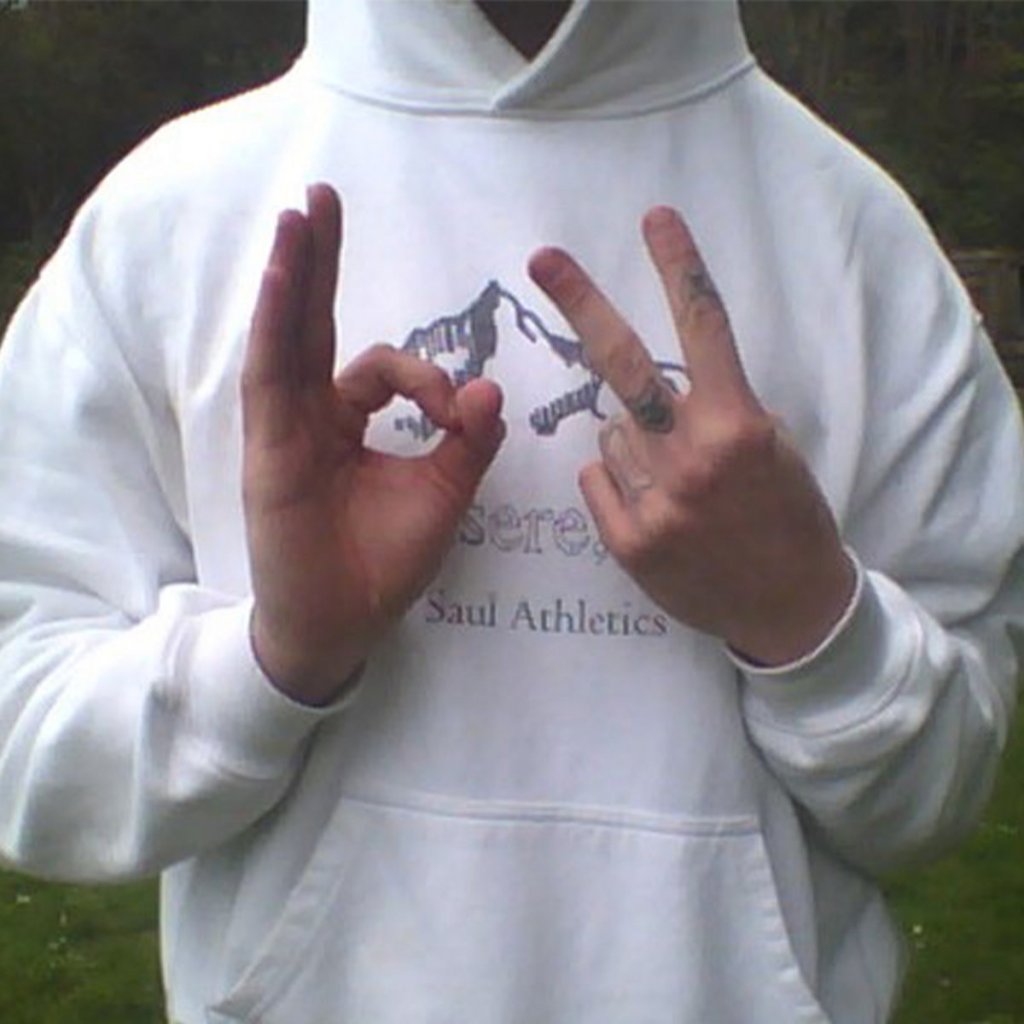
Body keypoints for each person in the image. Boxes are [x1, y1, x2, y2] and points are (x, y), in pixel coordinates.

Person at [1, 1, 1022, 1021]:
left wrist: (806, 622)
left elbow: (934, 799)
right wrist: (278, 660)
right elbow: (23, 740)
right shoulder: (171, 216)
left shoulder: (859, 237)